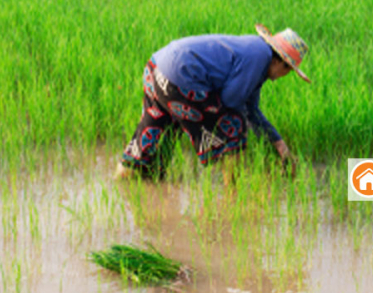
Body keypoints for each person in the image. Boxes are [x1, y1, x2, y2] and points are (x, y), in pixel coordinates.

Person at [117, 24, 309, 178]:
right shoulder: (260, 57)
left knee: (157, 127)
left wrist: (280, 146)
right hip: (181, 79)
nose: (283, 76)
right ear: (279, 62)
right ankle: (233, 189)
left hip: (156, 69)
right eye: (288, 70)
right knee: (234, 124)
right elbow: (231, 100)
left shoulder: (256, 52)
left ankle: (127, 176)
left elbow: (253, 110)